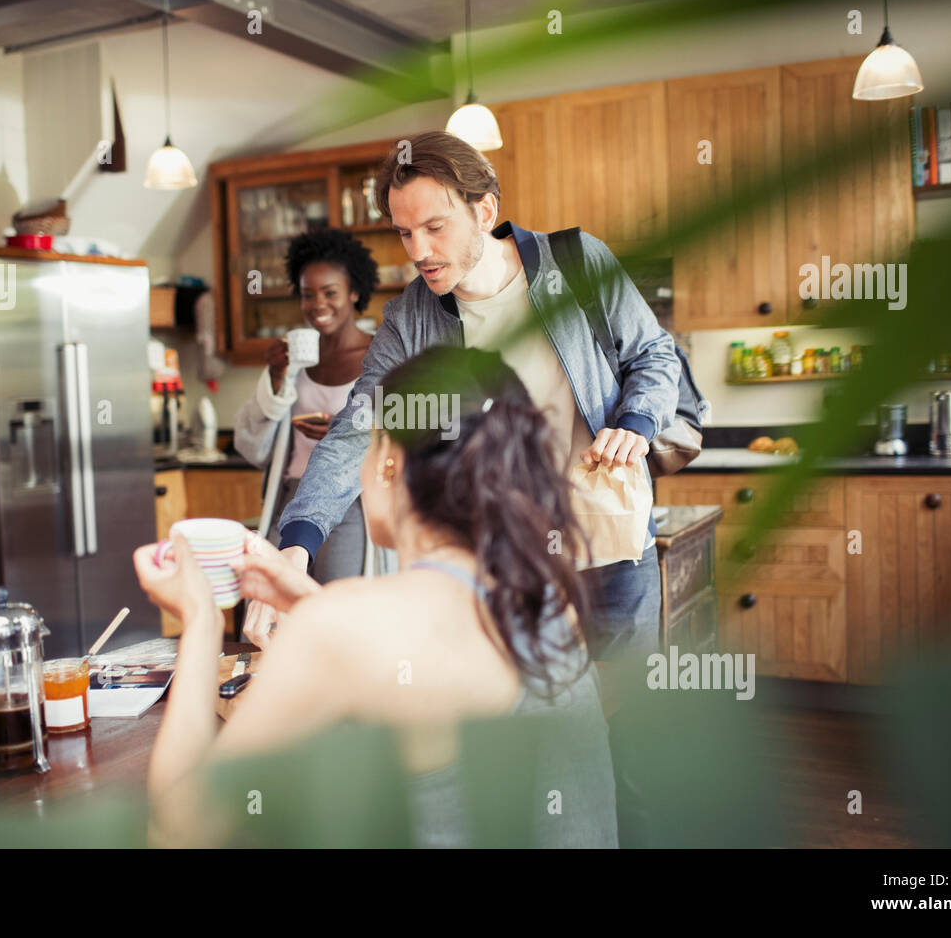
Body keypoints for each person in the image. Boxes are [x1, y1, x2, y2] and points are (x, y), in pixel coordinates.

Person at [136, 347, 618, 847]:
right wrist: (307, 600)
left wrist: (200, 621)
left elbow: (181, 825)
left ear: (388, 460)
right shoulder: (550, 602)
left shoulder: (340, 627)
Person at [247, 130, 681, 661]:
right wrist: (295, 544)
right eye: (405, 233)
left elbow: (655, 355)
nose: (420, 252)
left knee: (630, 726)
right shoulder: (410, 317)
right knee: (523, 733)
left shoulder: (576, 263)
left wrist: (636, 422)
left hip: (609, 544)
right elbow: (357, 427)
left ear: (484, 210)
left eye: (435, 227)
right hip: (499, 564)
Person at [233, 229, 377, 584]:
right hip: (288, 497)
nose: (317, 304)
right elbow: (251, 447)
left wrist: (345, 432)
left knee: (334, 609)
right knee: (271, 599)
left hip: (349, 500)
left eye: (330, 293)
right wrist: (276, 377)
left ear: (354, 293)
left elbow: (405, 438)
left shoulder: (379, 357)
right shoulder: (292, 362)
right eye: (307, 294)